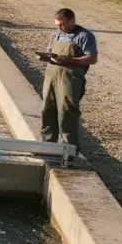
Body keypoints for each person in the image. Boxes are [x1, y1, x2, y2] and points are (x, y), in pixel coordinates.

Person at [40, 8, 98, 149]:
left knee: (67, 111)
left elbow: (92, 58)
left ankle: (68, 148)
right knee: (48, 109)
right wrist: (45, 56)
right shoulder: (57, 35)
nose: (59, 27)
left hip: (70, 78)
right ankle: (47, 145)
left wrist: (69, 60)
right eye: (57, 25)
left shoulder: (85, 36)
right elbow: (50, 52)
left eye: (62, 24)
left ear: (72, 21)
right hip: (51, 76)